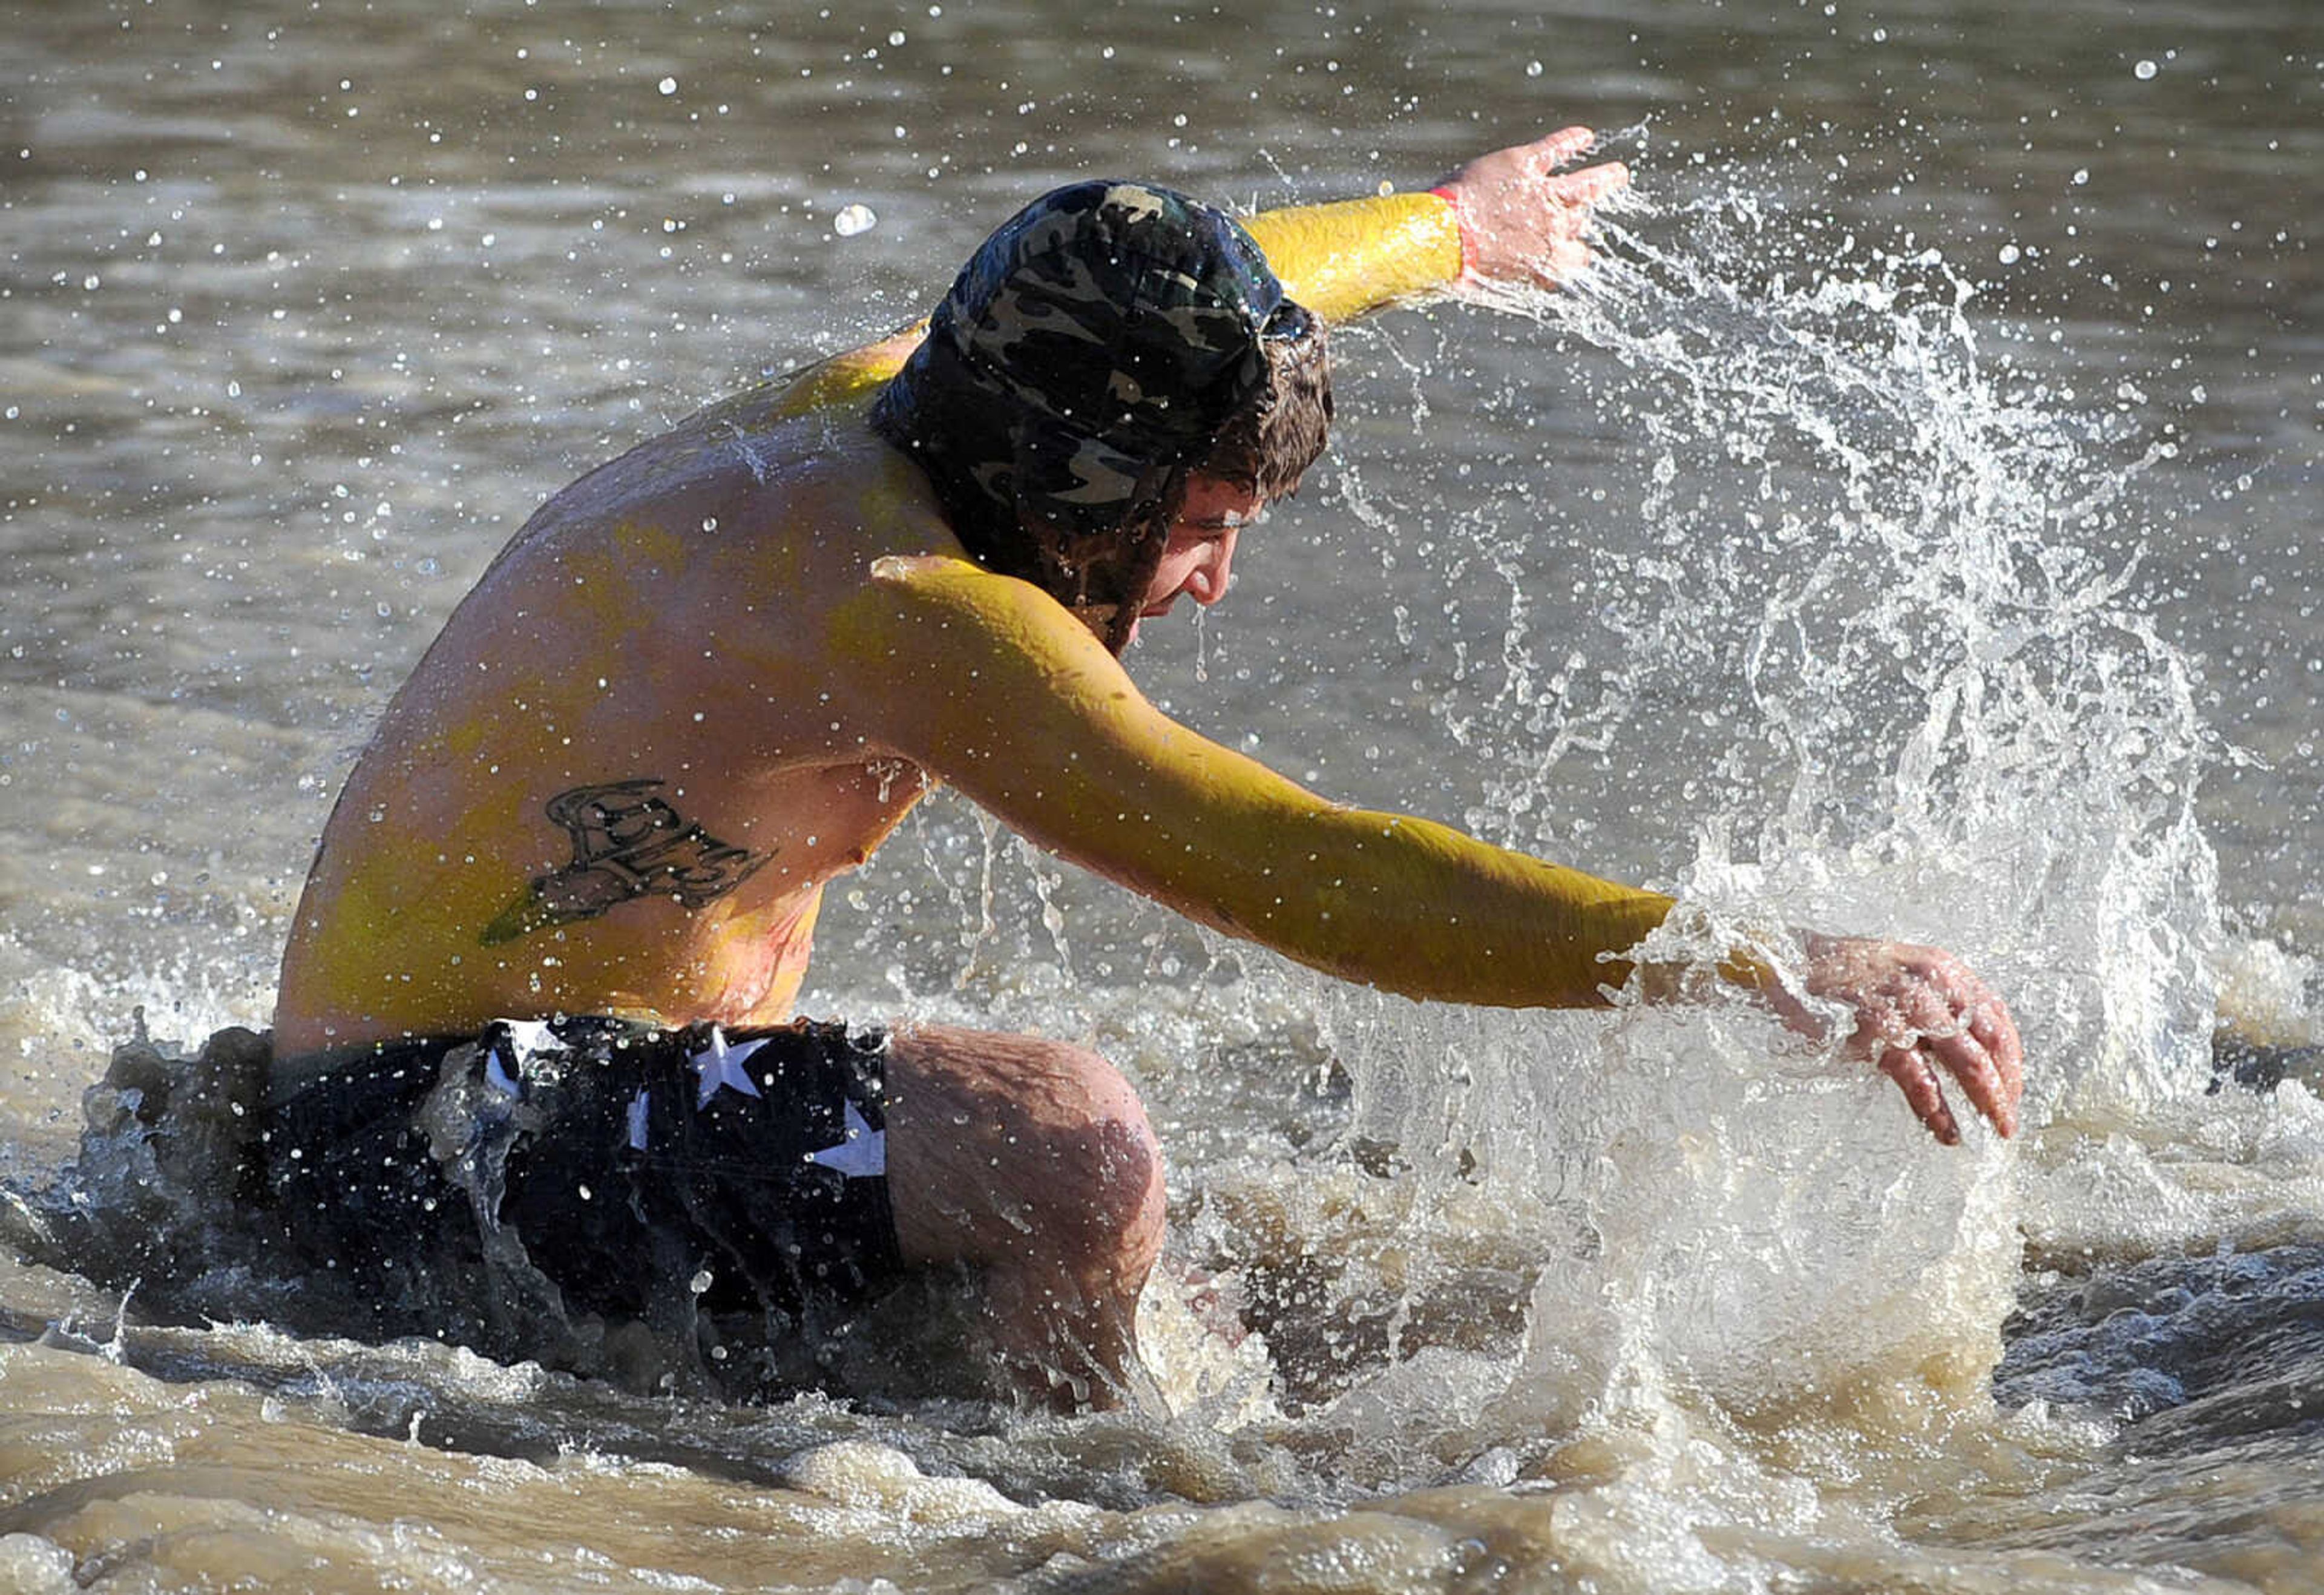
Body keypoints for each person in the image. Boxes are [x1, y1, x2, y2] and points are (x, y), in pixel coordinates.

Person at [234, 128, 2021, 1406]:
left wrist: (1450, 229)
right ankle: (1073, 1519)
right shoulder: (903, 606)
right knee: (1072, 1147)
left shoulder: (932, 396)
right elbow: (1282, 858)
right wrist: (1742, 949)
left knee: (1244, 1286)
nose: (1216, 580)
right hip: (401, 1157)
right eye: (1204, 524)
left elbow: (1219, 277)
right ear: (1079, 483)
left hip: (537, 1100)